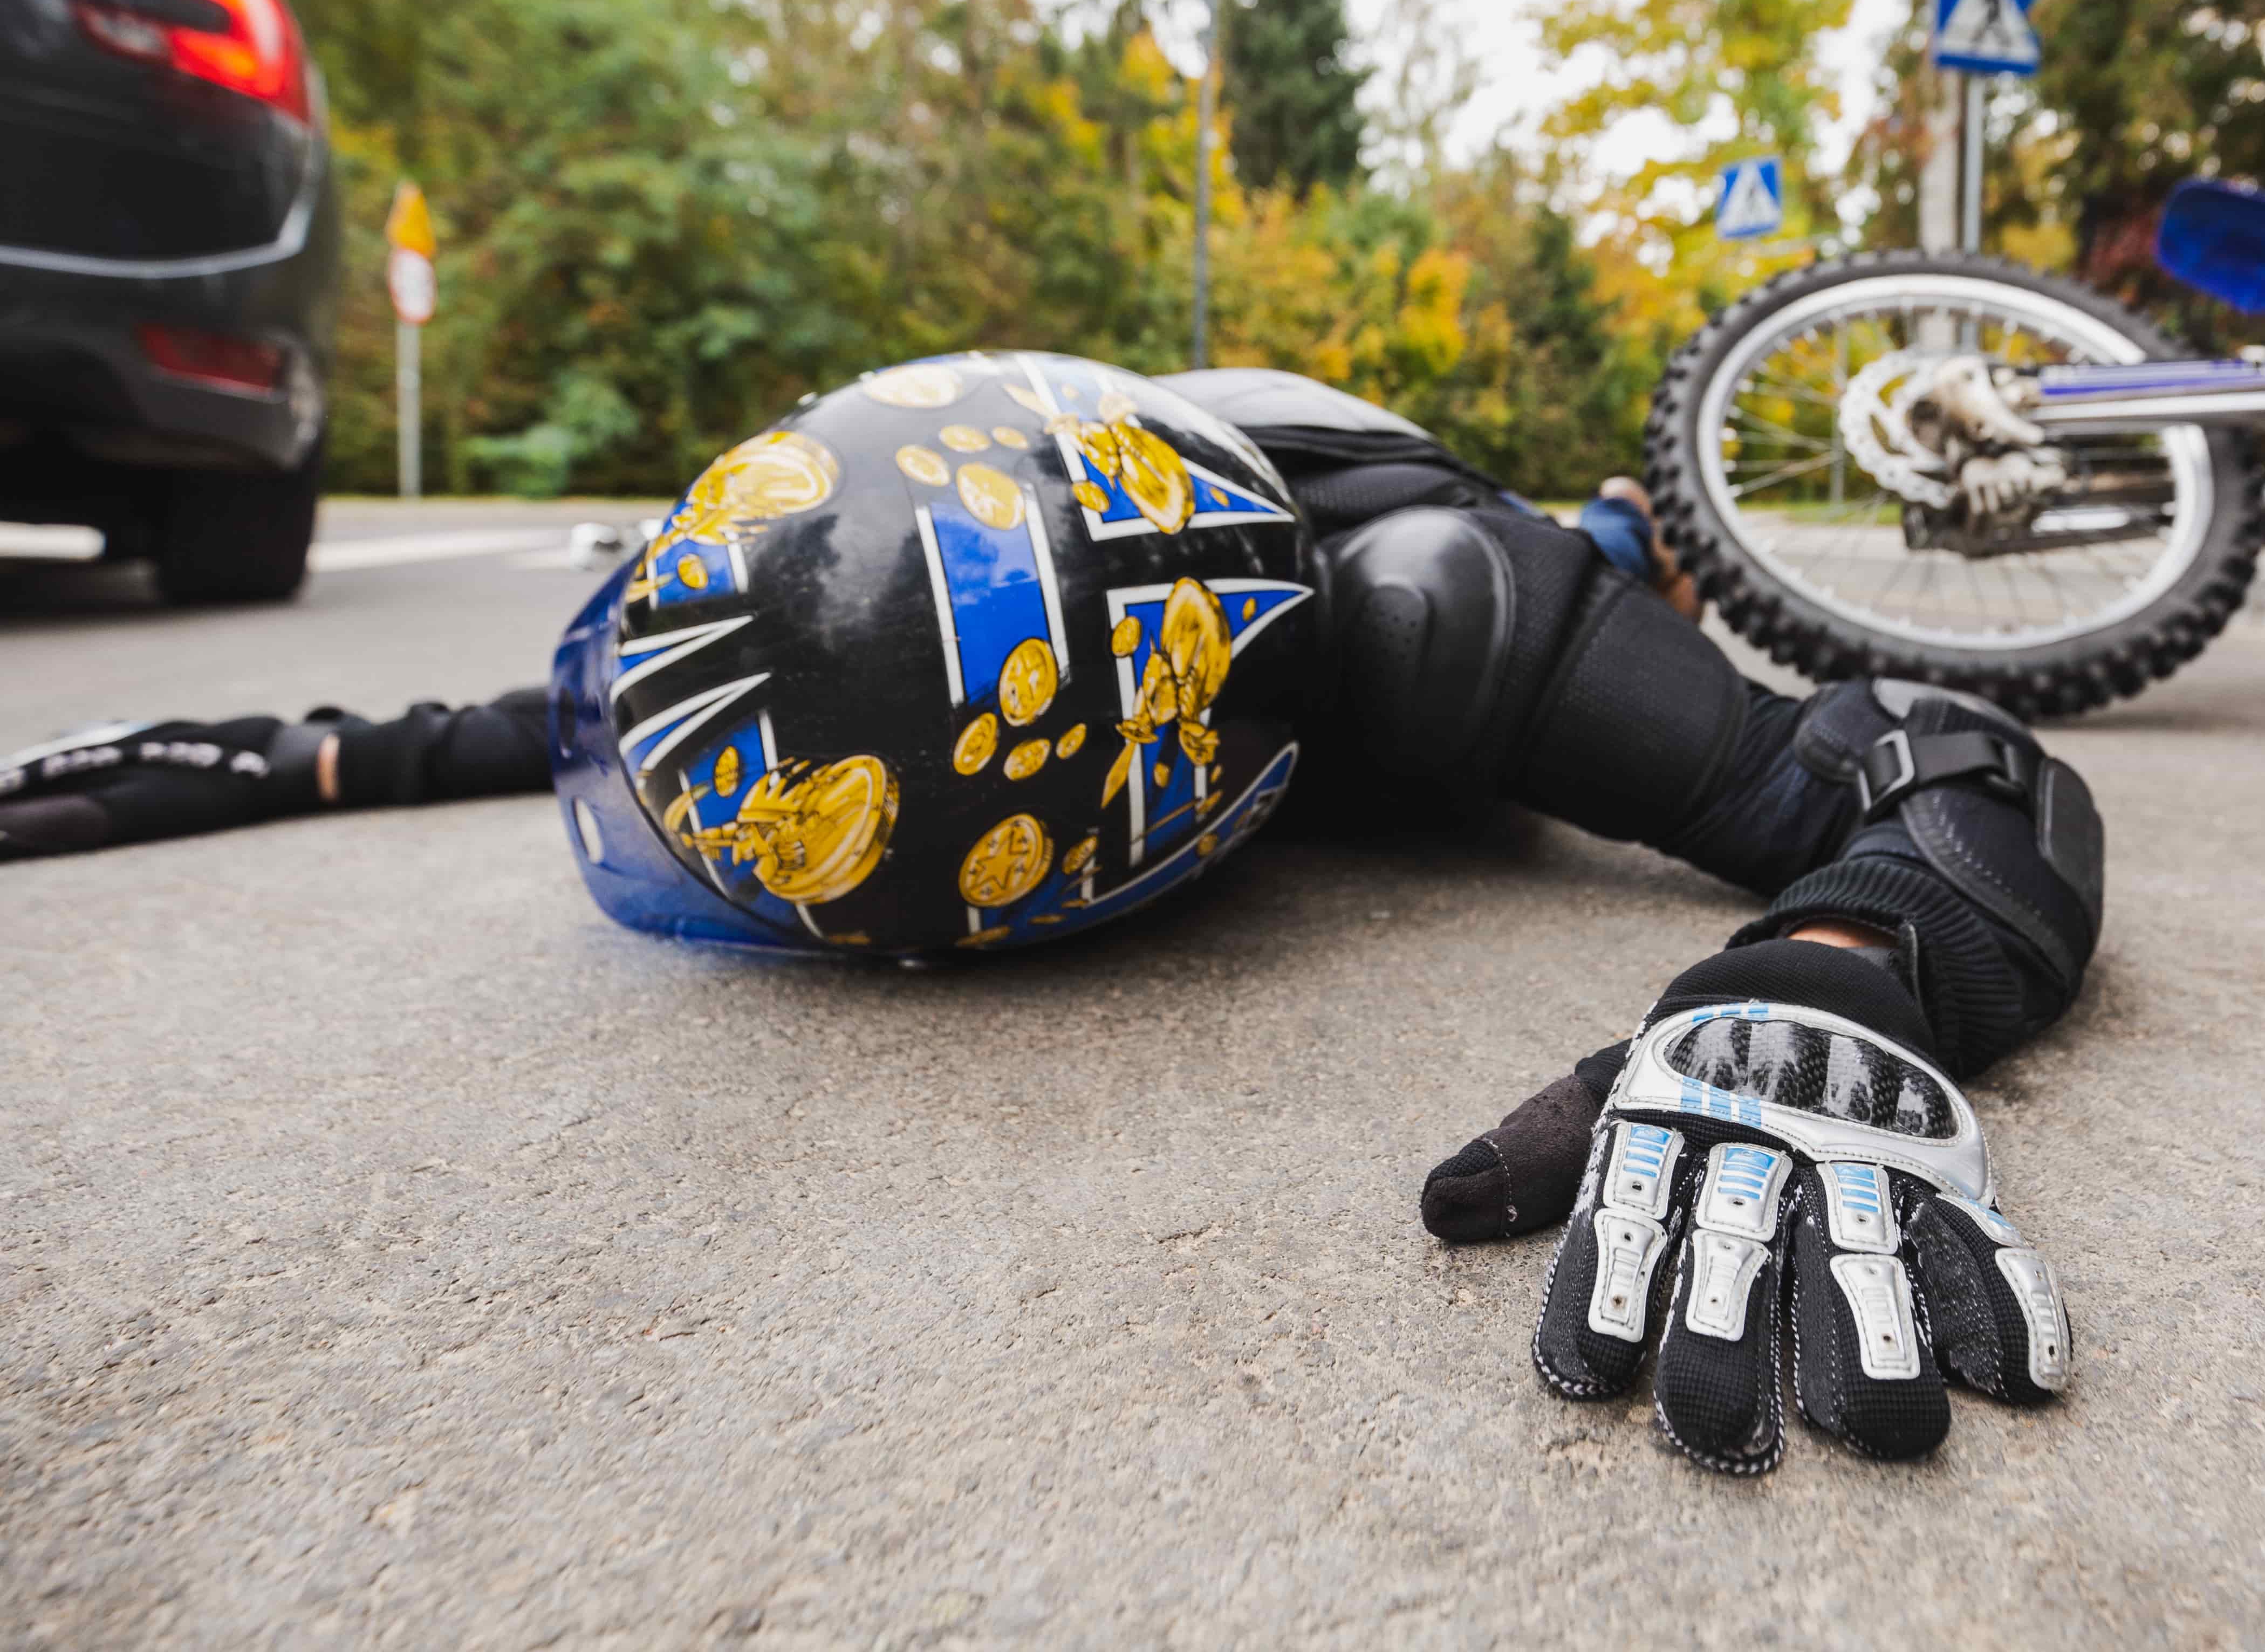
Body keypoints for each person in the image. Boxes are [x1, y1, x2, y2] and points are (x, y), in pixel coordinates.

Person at [0, 353, 2100, 1476]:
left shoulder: (1442, 630)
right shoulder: (925, 483)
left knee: (1588, 562)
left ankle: (1626, 520)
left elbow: (1945, 774)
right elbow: (738, 675)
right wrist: (311, 755)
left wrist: (1837, 973)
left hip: (1416, 520)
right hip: (1176, 437)